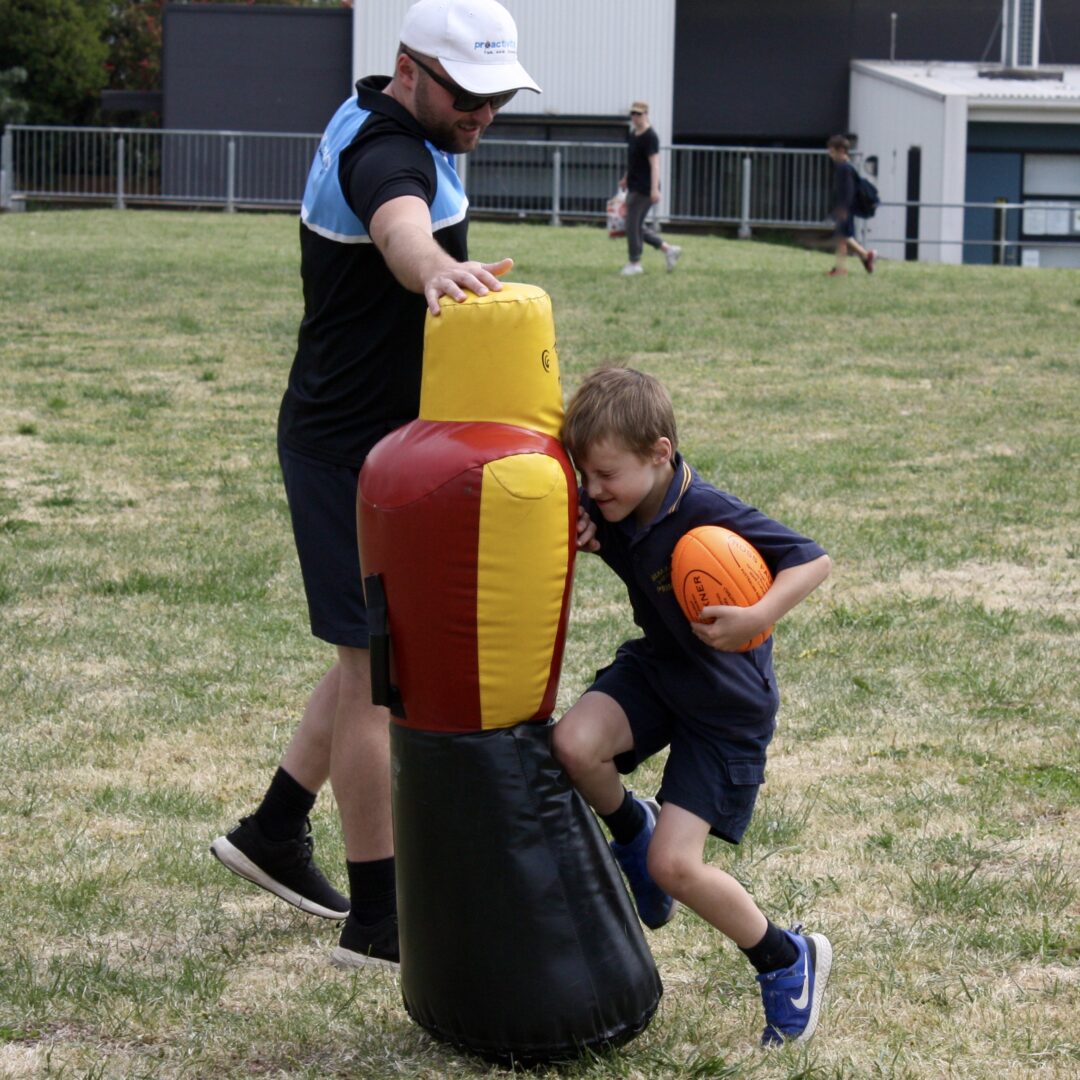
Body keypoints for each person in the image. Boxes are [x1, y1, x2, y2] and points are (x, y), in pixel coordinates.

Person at [210, 0, 540, 971]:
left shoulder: (389, 123)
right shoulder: (384, 149)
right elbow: (400, 228)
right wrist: (434, 268)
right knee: (372, 679)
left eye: (497, 102)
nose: (482, 116)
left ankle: (273, 831)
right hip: (343, 456)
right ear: (410, 73)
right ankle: (379, 920)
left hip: (379, 449)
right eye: (469, 97)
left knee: (373, 651)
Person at [553, 367, 833, 1046]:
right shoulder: (621, 502)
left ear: (660, 452)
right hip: (662, 670)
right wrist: (598, 533)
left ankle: (787, 958)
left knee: (674, 869)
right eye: (585, 476)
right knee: (572, 746)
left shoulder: (706, 511)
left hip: (725, 707)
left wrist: (756, 615)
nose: (593, 490)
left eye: (605, 475)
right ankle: (631, 825)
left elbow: (813, 560)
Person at [619, 101, 682, 276]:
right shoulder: (633, 134)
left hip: (645, 188)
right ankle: (668, 249)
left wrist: (655, 189)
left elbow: (655, 164)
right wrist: (625, 178)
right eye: (633, 113)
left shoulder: (650, 136)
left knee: (632, 225)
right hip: (634, 185)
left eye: (639, 114)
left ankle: (635, 263)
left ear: (646, 114)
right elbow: (633, 162)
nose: (635, 117)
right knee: (635, 224)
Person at [826, 134, 875, 277]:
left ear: (841, 151)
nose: (830, 154)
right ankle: (840, 268)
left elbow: (848, 191)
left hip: (845, 208)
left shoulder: (845, 168)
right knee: (842, 238)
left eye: (832, 151)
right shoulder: (846, 167)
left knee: (843, 236)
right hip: (845, 208)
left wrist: (843, 208)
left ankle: (866, 256)